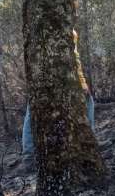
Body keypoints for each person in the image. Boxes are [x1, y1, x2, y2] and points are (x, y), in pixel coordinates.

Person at [22, 30, 94, 163]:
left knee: (32, 109)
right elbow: (73, 59)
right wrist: (82, 82)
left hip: (42, 80)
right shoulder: (66, 29)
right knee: (88, 104)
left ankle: (29, 151)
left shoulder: (36, 26)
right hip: (61, 80)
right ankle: (89, 143)